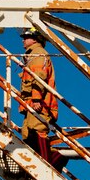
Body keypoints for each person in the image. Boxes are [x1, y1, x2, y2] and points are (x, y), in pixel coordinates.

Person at [18, 29, 65, 171]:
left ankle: (47, 167)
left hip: (40, 104)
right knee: (28, 136)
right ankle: (56, 159)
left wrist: (37, 99)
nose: (23, 40)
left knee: (38, 131)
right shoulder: (32, 55)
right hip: (31, 104)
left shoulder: (38, 54)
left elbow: (39, 77)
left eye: (26, 37)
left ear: (35, 39)